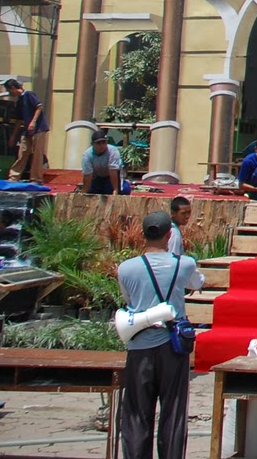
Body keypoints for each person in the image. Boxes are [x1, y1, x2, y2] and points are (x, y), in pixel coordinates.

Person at [117, 211, 203, 459]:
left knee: (136, 413)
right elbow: (197, 283)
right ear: (169, 234)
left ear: (142, 234)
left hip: (139, 345)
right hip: (172, 347)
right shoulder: (184, 264)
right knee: (173, 412)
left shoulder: (126, 268)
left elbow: (129, 300)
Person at [5, 78, 48, 182]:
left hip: (39, 128)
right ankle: (14, 176)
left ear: (13, 88)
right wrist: (13, 136)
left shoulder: (29, 94)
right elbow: (19, 120)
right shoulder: (19, 101)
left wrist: (33, 122)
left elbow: (39, 107)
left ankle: (36, 178)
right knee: (22, 152)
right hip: (27, 130)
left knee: (37, 154)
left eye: (9, 91)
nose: (10, 93)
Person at [82, 129, 127, 195]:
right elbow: (88, 175)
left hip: (111, 178)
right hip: (97, 178)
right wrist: (84, 193)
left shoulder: (112, 151)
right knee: (91, 192)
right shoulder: (87, 155)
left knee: (125, 190)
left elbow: (113, 171)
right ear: (92, 144)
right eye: (98, 143)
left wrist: (115, 190)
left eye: (104, 142)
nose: (101, 145)